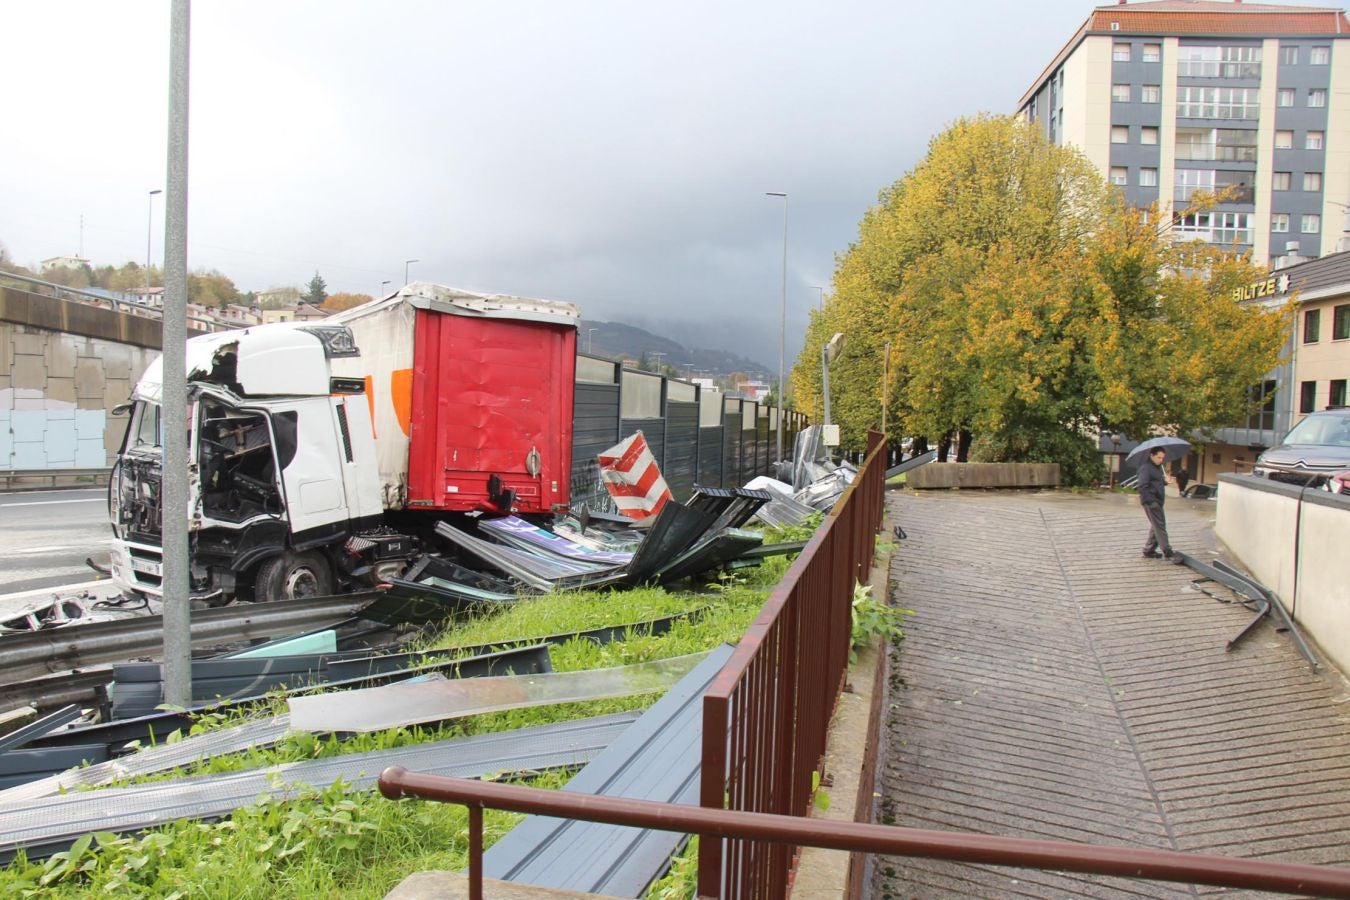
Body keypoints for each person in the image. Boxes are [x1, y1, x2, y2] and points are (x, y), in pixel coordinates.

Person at [1138, 447, 1180, 562]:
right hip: (1152, 501)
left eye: (1162, 458)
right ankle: (1168, 552)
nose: (1160, 460)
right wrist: (1149, 501)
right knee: (1160, 526)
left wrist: (1165, 482)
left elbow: (1155, 483)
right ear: (1152, 455)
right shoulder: (1146, 468)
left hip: (1158, 500)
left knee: (1156, 525)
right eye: (1158, 457)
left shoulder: (1157, 468)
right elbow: (1142, 486)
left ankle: (1149, 550)